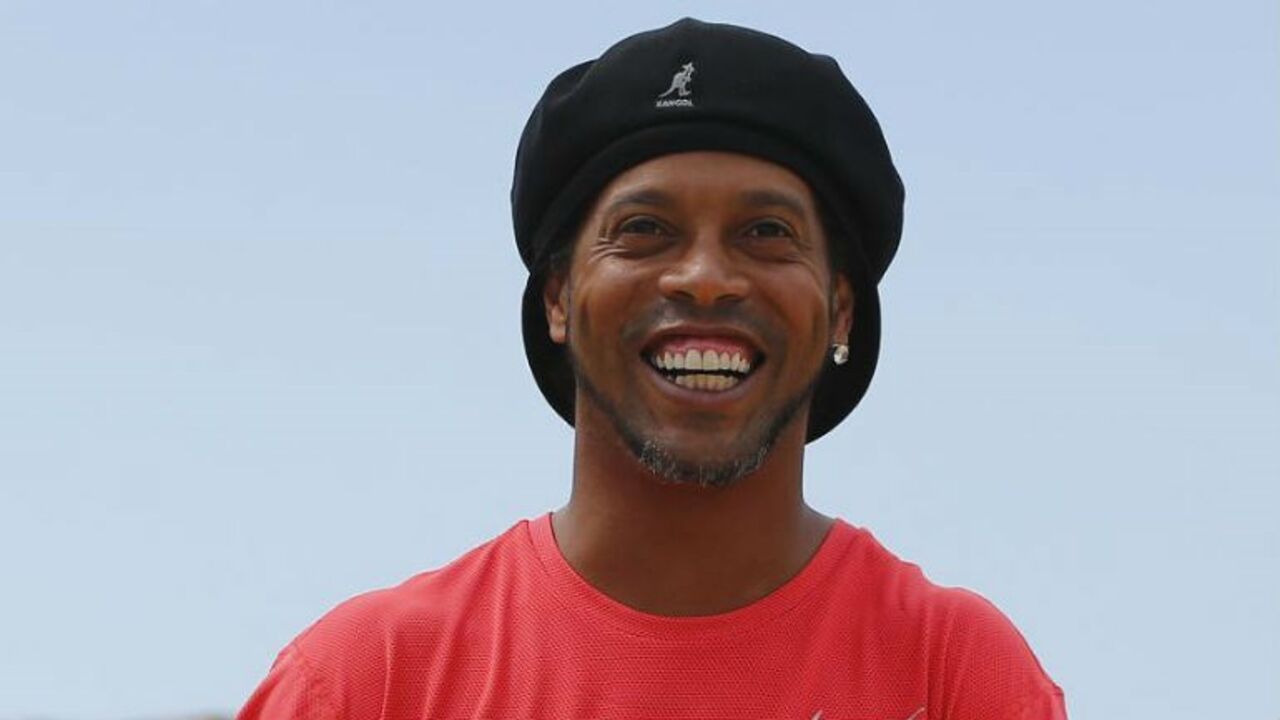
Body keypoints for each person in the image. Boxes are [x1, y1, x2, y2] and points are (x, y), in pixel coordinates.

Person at [238, 18, 1067, 719]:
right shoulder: (372, 683)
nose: (704, 277)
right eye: (643, 230)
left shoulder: (952, 674)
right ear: (558, 298)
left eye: (767, 233)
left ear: (840, 310)